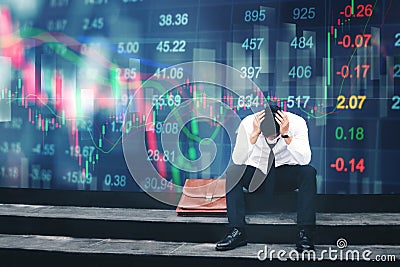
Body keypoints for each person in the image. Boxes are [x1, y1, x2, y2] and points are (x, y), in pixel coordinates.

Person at [215, 104, 317, 252]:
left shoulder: (297, 123)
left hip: (285, 175)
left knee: (308, 172)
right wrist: (253, 136)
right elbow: (238, 160)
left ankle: (305, 233)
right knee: (233, 172)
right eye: (266, 136)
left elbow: (304, 160)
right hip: (258, 176)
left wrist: (286, 136)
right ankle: (237, 231)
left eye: (274, 136)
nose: (270, 139)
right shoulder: (248, 124)